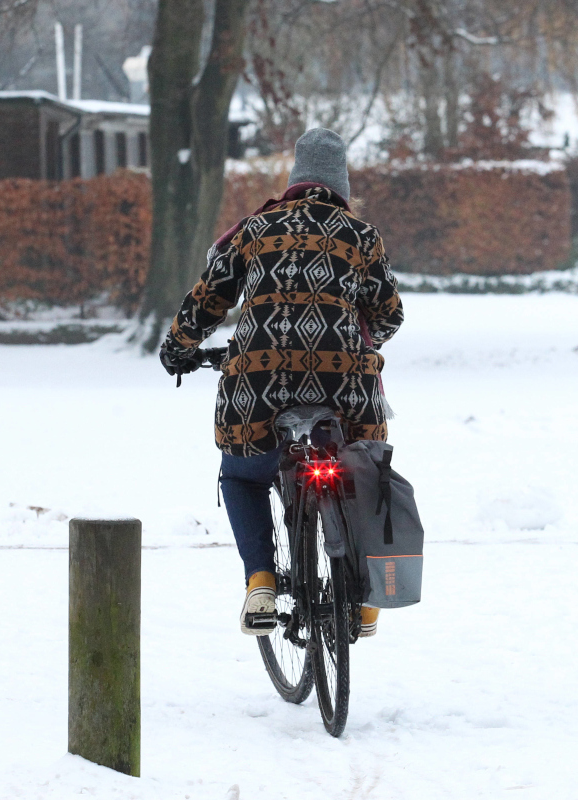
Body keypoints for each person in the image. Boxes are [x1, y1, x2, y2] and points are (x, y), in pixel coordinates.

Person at [159, 128, 403, 637]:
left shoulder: (255, 229)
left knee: (243, 476)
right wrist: (358, 339)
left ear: (293, 180)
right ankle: (366, 600)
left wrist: (179, 347)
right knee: (364, 473)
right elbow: (389, 315)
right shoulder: (362, 236)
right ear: (343, 188)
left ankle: (261, 583)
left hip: (259, 382)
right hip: (346, 387)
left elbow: (208, 299)